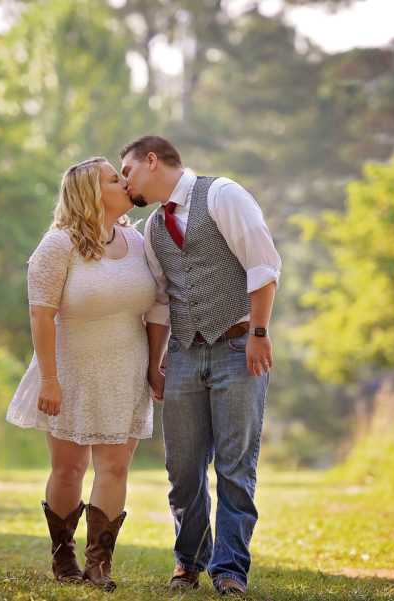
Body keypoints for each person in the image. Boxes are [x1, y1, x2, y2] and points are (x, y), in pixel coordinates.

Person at [120, 135, 281, 596]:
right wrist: (156, 361)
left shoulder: (223, 194)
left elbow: (264, 268)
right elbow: (160, 302)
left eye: (127, 171)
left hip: (238, 346)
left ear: (152, 161)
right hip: (185, 354)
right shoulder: (153, 228)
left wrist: (258, 333)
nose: (126, 184)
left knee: (235, 466)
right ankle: (189, 559)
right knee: (183, 468)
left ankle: (230, 568)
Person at [6, 156, 165, 592]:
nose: (125, 181)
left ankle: (100, 566)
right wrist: (51, 381)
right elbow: (41, 316)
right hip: (70, 370)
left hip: (124, 370)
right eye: (115, 178)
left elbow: (155, 307)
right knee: (69, 468)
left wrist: (154, 365)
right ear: (92, 194)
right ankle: (64, 559)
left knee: (115, 466)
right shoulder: (58, 245)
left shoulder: (137, 242)